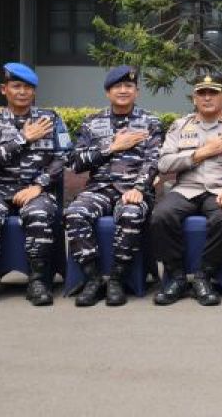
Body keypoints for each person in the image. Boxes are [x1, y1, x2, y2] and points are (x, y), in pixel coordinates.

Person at [0, 62, 70, 309]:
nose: (22, 92)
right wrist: (23, 138)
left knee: (39, 214)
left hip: (37, 190)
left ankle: (38, 281)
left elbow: (64, 156)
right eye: (17, 86)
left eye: (28, 87)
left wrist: (40, 185)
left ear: (34, 92)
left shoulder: (51, 118)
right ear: (4, 89)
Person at [150, 72, 222, 306]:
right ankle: (176, 276)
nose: (207, 98)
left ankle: (204, 276)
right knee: (160, 216)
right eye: (202, 93)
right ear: (194, 98)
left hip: (220, 188)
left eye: (213, 93)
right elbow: (164, 163)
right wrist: (200, 154)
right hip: (186, 188)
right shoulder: (180, 126)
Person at [65, 66, 163, 307]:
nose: (123, 90)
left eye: (128, 86)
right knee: (74, 213)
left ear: (136, 92)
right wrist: (112, 146)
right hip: (99, 189)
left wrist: (140, 188)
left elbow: (154, 161)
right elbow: (76, 162)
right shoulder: (92, 123)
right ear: (108, 92)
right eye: (117, 86)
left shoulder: (150, 122)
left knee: (131, 213)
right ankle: (93, 278)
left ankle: (118, 278)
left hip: (134, 189)